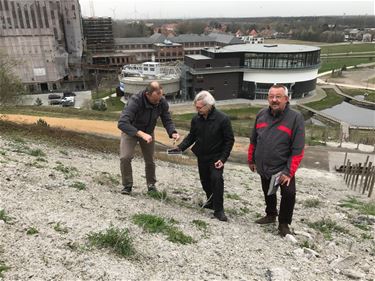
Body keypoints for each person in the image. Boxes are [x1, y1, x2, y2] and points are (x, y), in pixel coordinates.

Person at [248, 84, 305, 236]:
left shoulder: (295, 118)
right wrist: (251, 159)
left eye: (278, 97)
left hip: (283, 168)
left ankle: (284, 223)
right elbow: (254, 139)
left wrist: (288, 171)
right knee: (268, 191)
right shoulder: (261, 115)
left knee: (288, 194)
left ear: (286, 99)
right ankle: (271, 214)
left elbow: (298, 149)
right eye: (271, 97)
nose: (274, 100)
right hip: (263, 165)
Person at [172, 91, 234, 222]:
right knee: (205, 181)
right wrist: (179, 148)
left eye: (199, 107)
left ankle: (219, 210)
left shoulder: (223, 119)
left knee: (216, 180)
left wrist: (223, 159)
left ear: (209, 105)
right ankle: (210, 201)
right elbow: (191, 136)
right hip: (202, 156)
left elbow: (229, 140)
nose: (197, 109)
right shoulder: (196, 119)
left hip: (217, 157)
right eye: (196, 107)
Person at [118, 81, 180, 195]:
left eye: (160, 98)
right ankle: (127, 186)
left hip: (148, 132)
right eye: (155, 100)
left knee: (150, 160)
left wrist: (173, 132)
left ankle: (151, 185)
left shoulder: (161, 101)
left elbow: (167, 119)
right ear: (147, 94)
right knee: (125, 157)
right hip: (131, 131)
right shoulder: (135, 101)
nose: (158, 102)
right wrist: (141, 134)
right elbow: (122, 123)